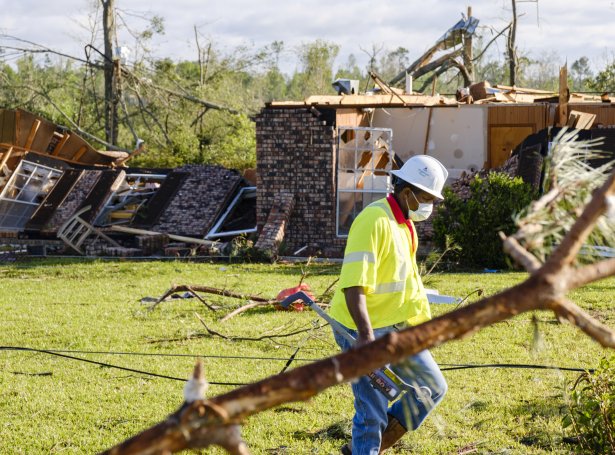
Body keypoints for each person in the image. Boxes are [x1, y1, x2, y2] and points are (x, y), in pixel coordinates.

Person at [329, 155, 449, 455]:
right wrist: (365, 337)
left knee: (431, 388)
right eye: (425, 197)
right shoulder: (373, 220)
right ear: (406, 191)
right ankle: (365, 449)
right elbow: (354, 283)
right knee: (372, 411)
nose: (429, 206)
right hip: (362, 328)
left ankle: (366, 449)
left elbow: (404, 280)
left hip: (396, 327)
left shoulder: (405, 224)